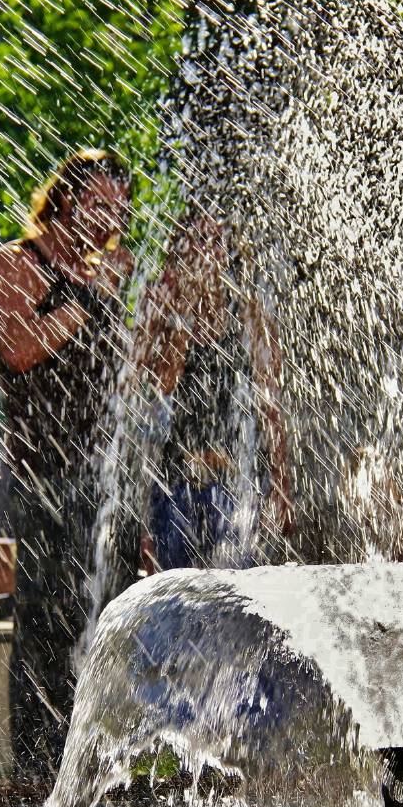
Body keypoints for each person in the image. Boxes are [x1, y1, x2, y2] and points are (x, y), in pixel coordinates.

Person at [0, 148, 134, 782]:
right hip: (44, 473)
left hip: (103, 475)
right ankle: (36, 771)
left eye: (120, 208)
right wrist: (87, 301)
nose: (110, 219)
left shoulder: (107, 271)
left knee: (104, 620)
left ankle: (92, 765)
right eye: (98, 203)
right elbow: (17, 350)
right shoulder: (19, 262)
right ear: (65, 199)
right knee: (45, 620)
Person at [135, 213, 293, 572]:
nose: (206, 253)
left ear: (229, 252)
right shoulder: (161, 308)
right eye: (196, 241)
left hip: (236, 485)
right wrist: (182, 323)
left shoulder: (250, 315)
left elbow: (271, 406)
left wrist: (282, 486)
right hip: (175, 483)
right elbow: (159, 393)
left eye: (215, 242)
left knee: (233, 596)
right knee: (174, 598)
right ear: (180, 251)